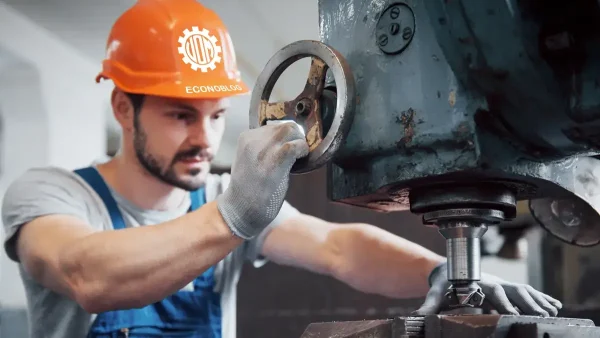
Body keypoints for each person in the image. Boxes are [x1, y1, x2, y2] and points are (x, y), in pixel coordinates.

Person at [1, 0, 562, 337]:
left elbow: (340, 249)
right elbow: (86, 275)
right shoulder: (51, 195)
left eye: (217, 115)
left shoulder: (218, 197)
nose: (205, 138)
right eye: (179, 115)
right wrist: (234, 215)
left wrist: (437, 271)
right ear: (124, 108)